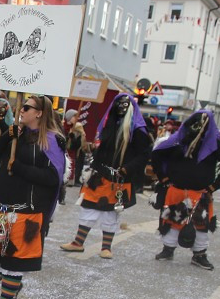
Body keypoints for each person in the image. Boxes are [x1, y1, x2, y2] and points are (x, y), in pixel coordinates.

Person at [0, 94, 65, 299]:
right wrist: (8, 134)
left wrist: (20, 168)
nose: (22, 110)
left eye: (27, 107)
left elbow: (53, 177)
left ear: (39, 113)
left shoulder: (51, 141)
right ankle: (12, 288)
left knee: (14, 261)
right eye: (21, 106)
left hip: (26, 212)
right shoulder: (14, 133)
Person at [59, 93, 151, 258]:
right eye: (118, 104)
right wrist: (90, 146)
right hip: (99, 174)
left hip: (119, 178)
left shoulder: (138, 130)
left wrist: (127, 168)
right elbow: (101, 147)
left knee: (111, 212)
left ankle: (106, 247)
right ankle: (78, 243)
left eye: (125, 104)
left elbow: (144, 155)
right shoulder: (107, 125)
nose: (121, 108)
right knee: (88, 207)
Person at [151, 110, 220, 271]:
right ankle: (168, 249)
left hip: (200, 193)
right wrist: (163, 178)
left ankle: (199, 254)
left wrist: (213, 187)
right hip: (176, 190)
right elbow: (157, 155)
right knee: (171, 221)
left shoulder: (214, 144)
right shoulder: (178, 140)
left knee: (201, 225)